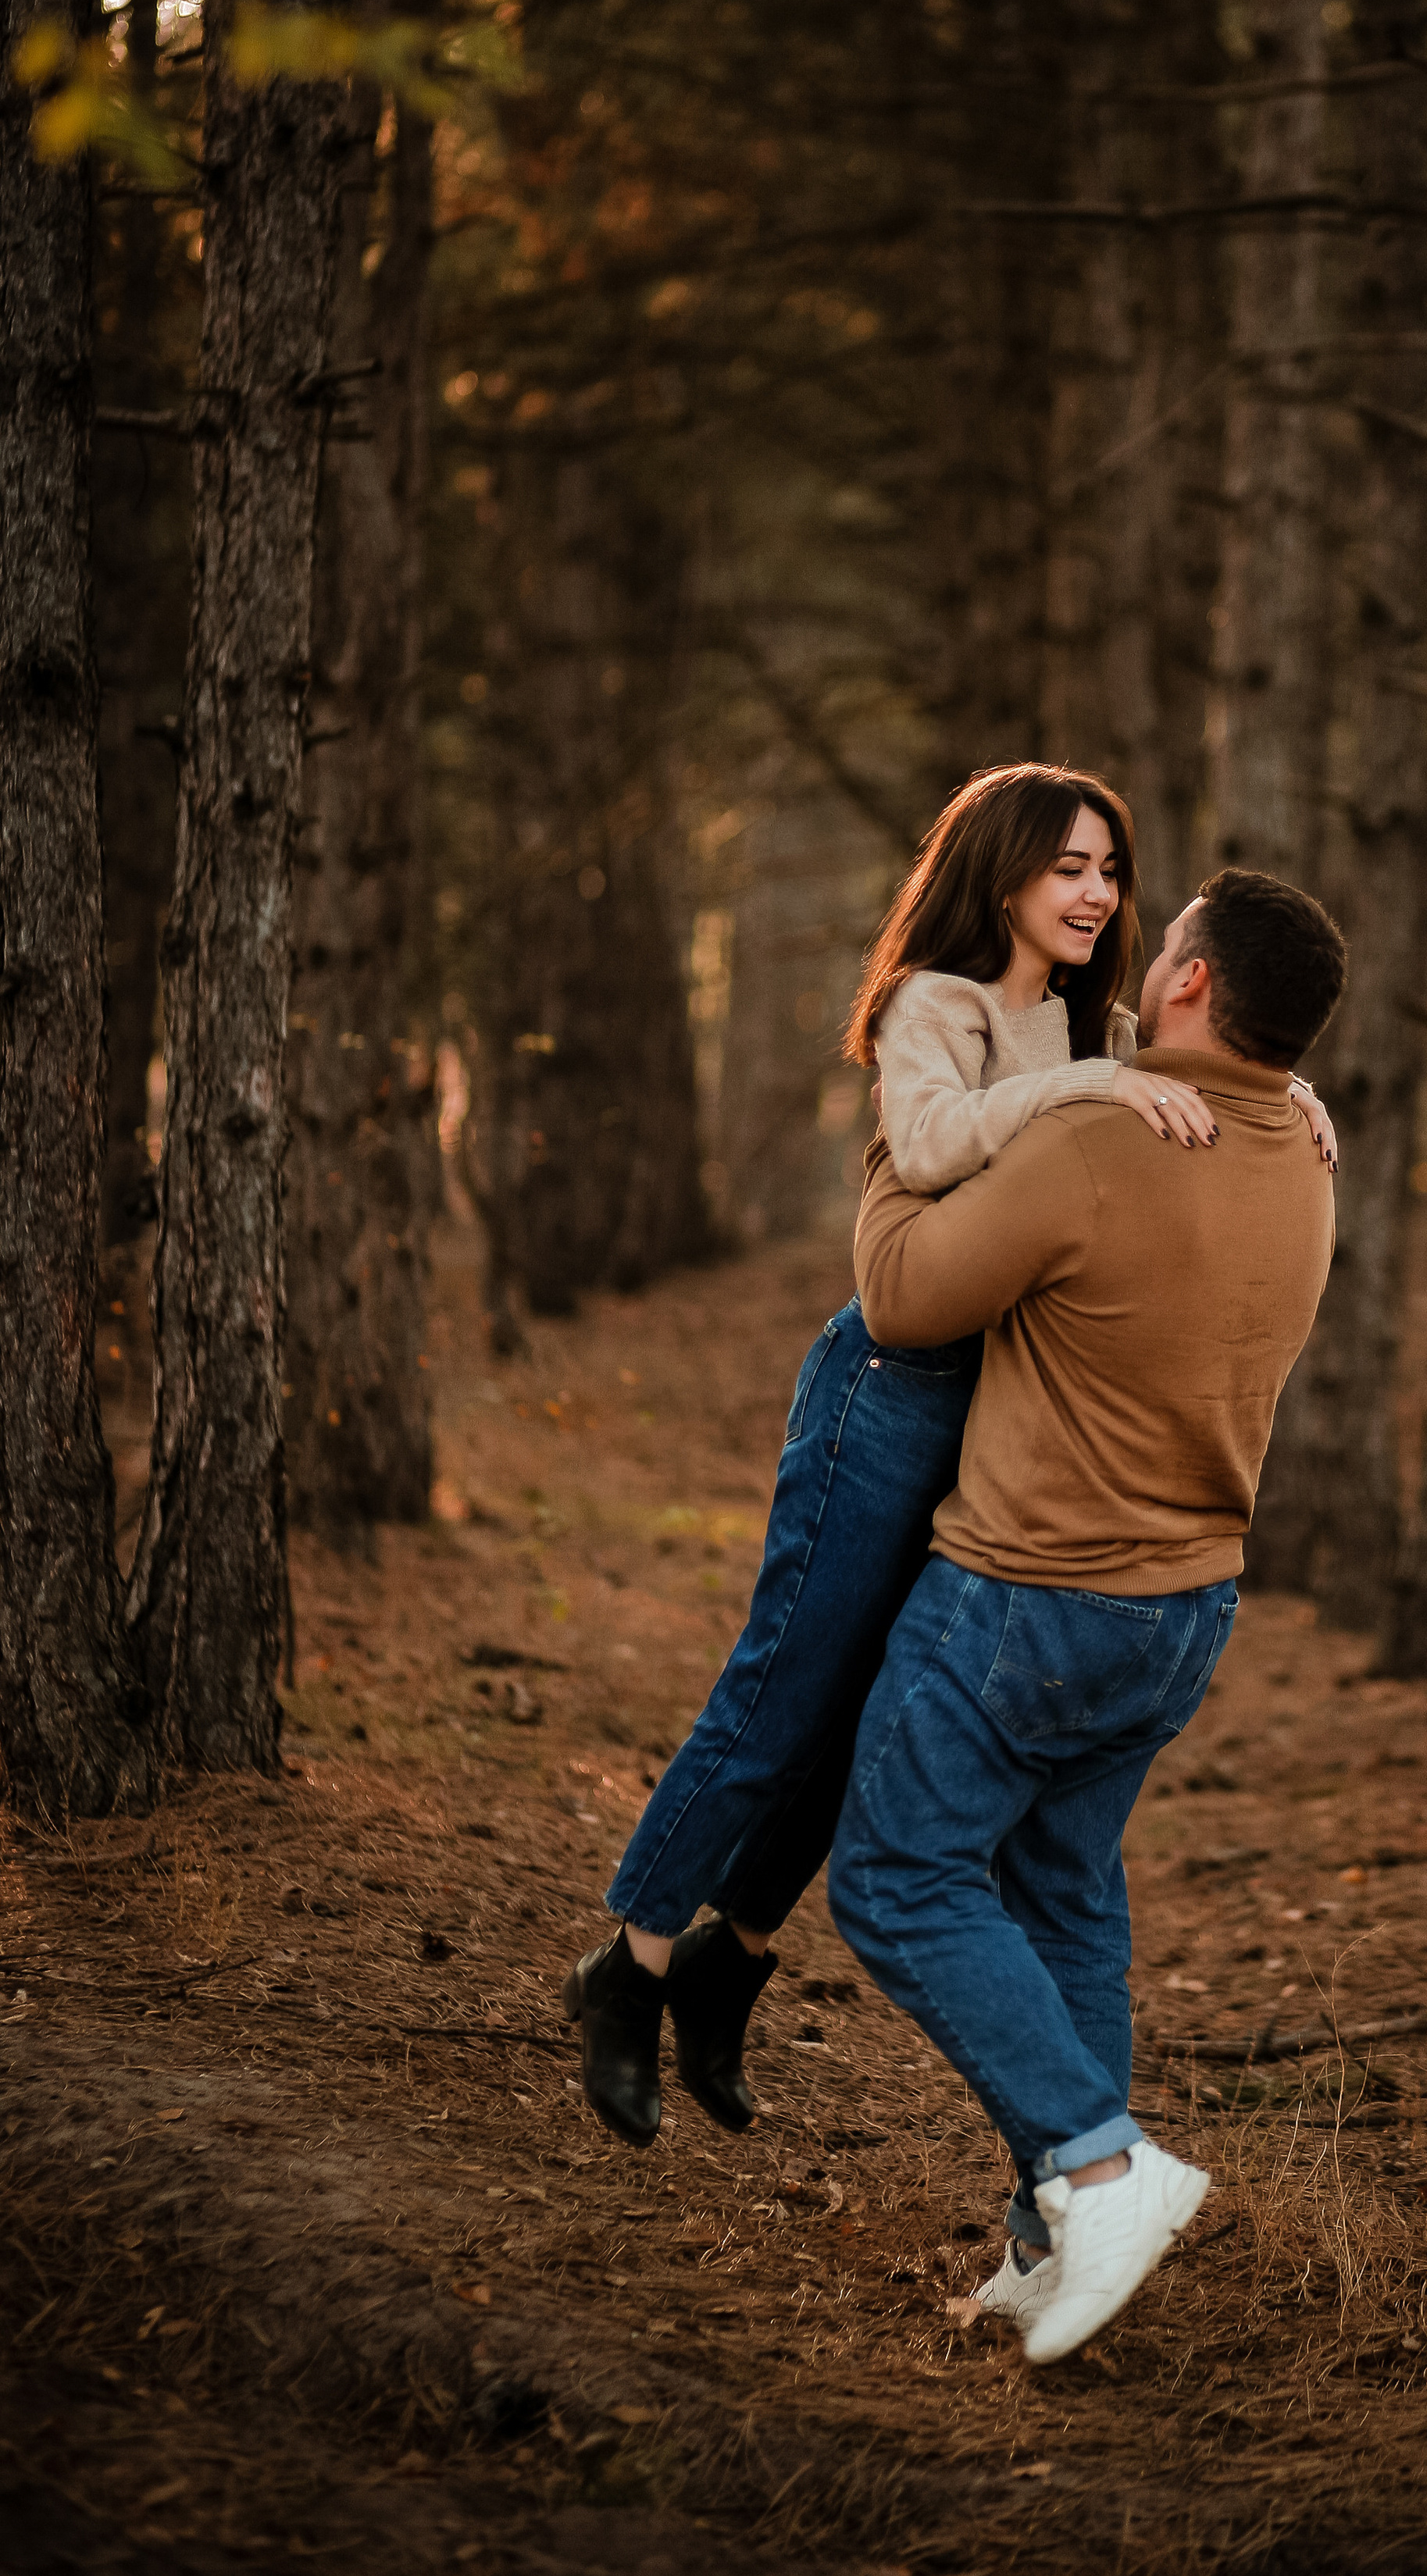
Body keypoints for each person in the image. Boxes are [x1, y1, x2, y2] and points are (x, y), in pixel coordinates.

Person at [561, 767, 1337, 2154]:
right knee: (786, 1691)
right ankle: (630, 1965)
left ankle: (732, 1961)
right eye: (1070, 868)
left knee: (865, 1716)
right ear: (1000, 875)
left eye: (1113, 869)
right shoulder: (941, 1004)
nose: (1100, 893)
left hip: (994, 1398)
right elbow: (923, 1149)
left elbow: (1188, 1080)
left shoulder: (1081, 1017)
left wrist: (1289, 1089)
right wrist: (1095, 1085)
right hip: (893, 1386)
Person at [826, 867, 1347, 2363]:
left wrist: (897, 1140)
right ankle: (1057, 2249)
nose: (1136, 941)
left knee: (901, 1877)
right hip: (1186, 1608)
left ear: (1184, 985)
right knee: (1061, 1896)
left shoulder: (1097, 1144)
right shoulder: (1303, 1146)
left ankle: (1102, 2169)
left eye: (1161, 937)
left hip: (1028, 1596)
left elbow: (901, 1296)